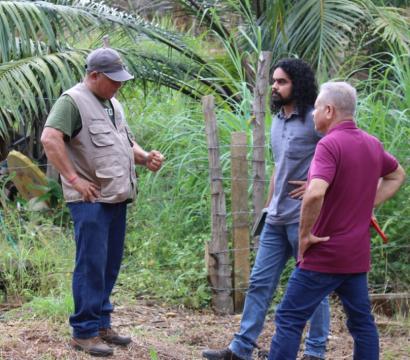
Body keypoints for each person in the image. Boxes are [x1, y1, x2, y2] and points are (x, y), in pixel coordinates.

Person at [267, 81, 406, 360]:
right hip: (355, 255)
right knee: (362, 323)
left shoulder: (328, 145)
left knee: (289, 317)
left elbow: (314, 192)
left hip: (325, 253)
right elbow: (397, 175)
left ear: (329, 110)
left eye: (316, 108)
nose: (314, 114)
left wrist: (305, 236)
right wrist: (368, 202)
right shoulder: (372, 144)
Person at [203, 58, 330, 360]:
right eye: (273, 81)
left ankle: (315, 352)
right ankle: (241, 348)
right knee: (260, 282)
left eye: (282, 81)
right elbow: (279, 167)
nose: (274, 86)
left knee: (313, 286)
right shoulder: (277, 121)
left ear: (297, 84)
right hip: (276, 217)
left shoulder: (315, 119)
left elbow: (338, 156)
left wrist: (315, 182)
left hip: (305, 219)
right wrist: (268, 206)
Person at [41, 46, 164, 357]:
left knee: (108, 265)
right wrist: (74, 179)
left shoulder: (113, 104)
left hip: (116, 196)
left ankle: (101, 324)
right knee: (90, 265)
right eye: (113, 80)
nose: (118, 85)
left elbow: (123, 140)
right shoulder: (72, 101)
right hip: (90, 199)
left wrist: (144, 156)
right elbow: (50, 138)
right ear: (93, 75)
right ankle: (83, 332)